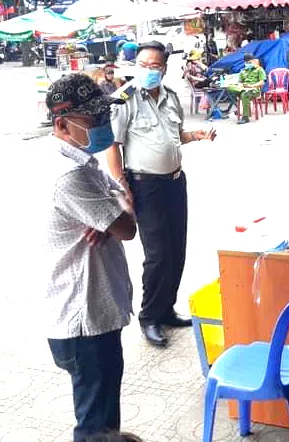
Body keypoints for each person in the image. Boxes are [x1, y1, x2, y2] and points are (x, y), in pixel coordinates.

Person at [43, 73, 137, 441]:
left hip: (93, 313)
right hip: (84, 320)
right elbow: (128, 227)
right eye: (92, 118)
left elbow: (125, 198)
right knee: (96, 428)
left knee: (102, 414)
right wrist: (115, 213)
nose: (101, 124)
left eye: (103, 115)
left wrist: (111, 213)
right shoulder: (70, 175)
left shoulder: (82, 160)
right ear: (61, 124)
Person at [107, 41, 217, 347]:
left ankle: (167, 308)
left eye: (153, 66)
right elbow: (112, 145)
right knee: (157, 255)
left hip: (175, 181)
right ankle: (150, 317)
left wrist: (196, 135)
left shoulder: (171, 97)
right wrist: (122, 185)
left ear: (164, 69)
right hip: (145, 186)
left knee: (176, 249)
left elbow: (175, 136)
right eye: (142, 65)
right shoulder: (124, 99)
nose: (147, 70)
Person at [227, 53, 266, 125]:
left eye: (250, 62)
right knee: (229, 87)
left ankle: (245, 117)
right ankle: (243, 92)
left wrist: (251, 86)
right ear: (244, 62)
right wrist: (240, 85)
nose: (249, 64)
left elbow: (262, 82)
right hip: (243, 88)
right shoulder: (242, 71)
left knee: (244, 94)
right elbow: (239, 82)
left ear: (253, 61)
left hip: (254, 90)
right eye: (247, 63)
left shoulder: (259, 70)